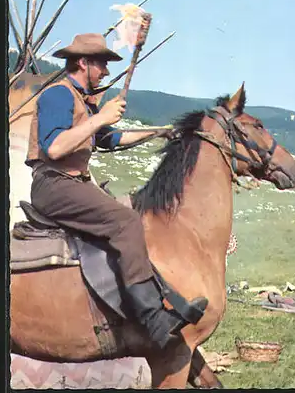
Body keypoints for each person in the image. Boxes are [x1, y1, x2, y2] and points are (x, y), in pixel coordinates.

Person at [25, 33, 207, 349]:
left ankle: (158, 300)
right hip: (54, 184)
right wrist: (101, 119)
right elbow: (54, 148)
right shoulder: (58, 95)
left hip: (72, 184)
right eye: (102, 64)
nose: (106, 72)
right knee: (125, 222)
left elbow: (112, 139)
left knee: (133, 216)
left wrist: (158, 132)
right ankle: (154, 320)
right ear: (83, 62)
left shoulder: (84, 102)